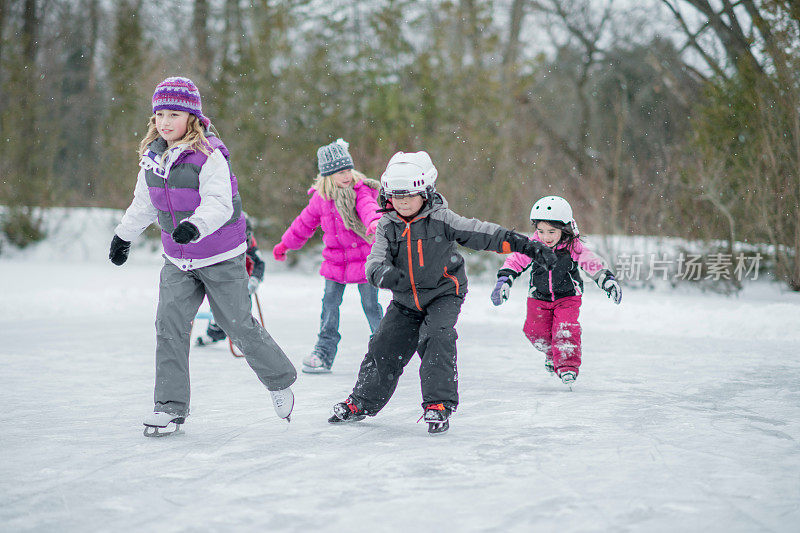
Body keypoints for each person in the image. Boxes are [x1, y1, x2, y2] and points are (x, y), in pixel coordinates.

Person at [108, 76, 297, 436]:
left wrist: (195, 226)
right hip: (178, 260)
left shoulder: (209, 155)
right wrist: (123, 236)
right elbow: (144, 204)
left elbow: (219, 202)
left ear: (191, 117)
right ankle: (169, 408)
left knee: (237, 325)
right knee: (169, 326)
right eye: (159, 114)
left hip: (221, 255)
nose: (165, 122)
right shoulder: (152, 158)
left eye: (174, 114)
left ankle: (280, 380)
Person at [328, 151, 557, 434]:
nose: (403, 202)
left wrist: (526, 245)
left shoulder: (441, 219)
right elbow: (374, 262)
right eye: (397, 197)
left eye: (410, 196)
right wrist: (384, 274)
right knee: (383, 345)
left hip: (443, 294)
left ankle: (438, 405)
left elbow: (482, 233)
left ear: (426, 192)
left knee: (437, 337)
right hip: (405, 301)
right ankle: (361, 402)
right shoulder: (387, 226)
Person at [272, 139, 383, 373]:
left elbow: (368, 207)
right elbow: (302, 224)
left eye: (348, 170)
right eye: (340, 172)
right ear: (327, 175)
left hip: (363, 261)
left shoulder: (359, 190)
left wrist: (374, 222)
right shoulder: (321, 199)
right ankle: (323, 353)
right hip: (335, 263)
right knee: (329, 307)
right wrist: (284, 245)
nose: (346, 176)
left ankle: (386, 350)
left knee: (371, 306)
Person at [489, 195, 621, 386]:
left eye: (551, 231)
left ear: (563, 229)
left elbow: (590, 262)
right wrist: (505, 280)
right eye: (541, 231)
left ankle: (567, 366)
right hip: (538, 298)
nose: (546, 237)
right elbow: (515, 261)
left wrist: (607, 279)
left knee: (566, 330)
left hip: (568, 297)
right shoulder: (532, 246)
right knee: (534, 332)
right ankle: (552, 353)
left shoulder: (572, 247)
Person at [195, 214, 265, 346]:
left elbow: (260, 263)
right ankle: (214, 332)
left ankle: (246, 334)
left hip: (244, 282)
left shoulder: (252, 247)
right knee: (218, 302)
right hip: (224, 280)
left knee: (242, 307)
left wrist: (254, 280)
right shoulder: (222, 243)